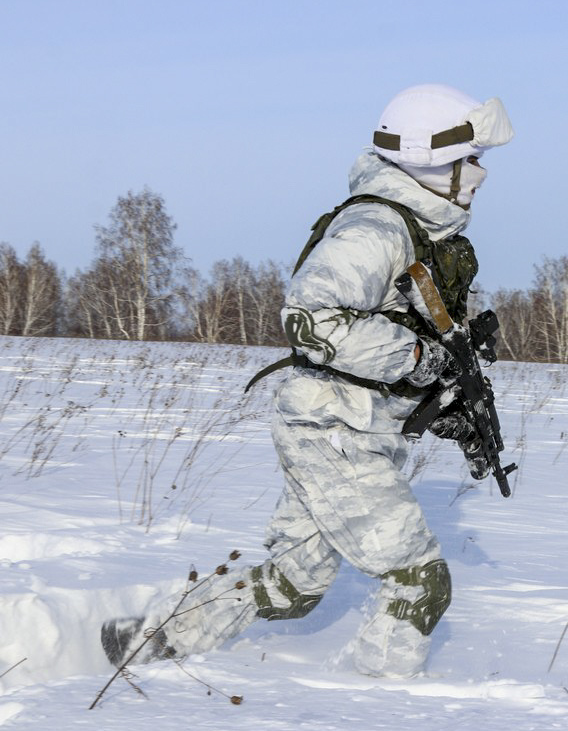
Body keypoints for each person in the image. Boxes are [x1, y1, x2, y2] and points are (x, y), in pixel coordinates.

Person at [102, 84, 514, 678]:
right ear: (429, 158)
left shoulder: (419, 233)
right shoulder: (376, 230)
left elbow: (389, 339)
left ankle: (146, 640)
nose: (480, 173)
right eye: (471, 158)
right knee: (419, 583)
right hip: (332, 428)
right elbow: (310, 319)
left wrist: (441, 401)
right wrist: (418, 357)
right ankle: (383, 707)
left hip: (347, 426)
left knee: (292, 585)